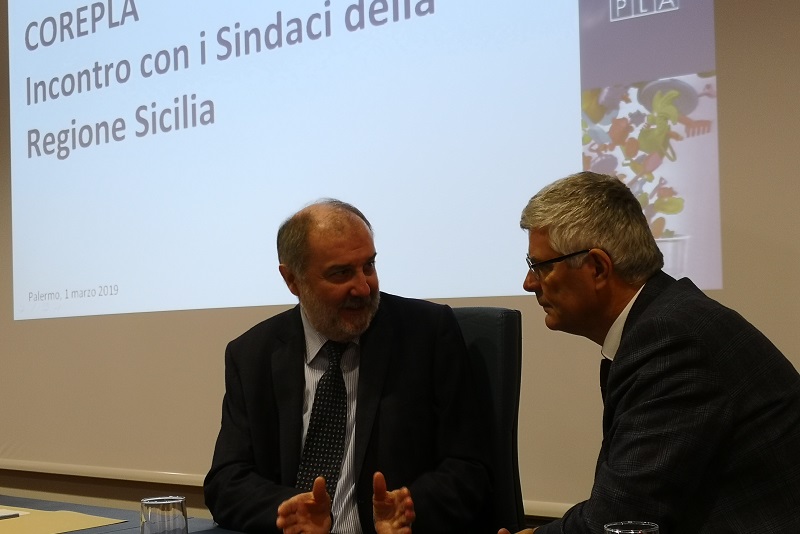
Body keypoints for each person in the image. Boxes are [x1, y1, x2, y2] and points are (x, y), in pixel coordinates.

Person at [503, 171, 800, 534]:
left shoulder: (671, 340)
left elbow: (622, 517)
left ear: (597, 268)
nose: (529, 283)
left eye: (542, 266)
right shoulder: (668, 320)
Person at [204, 199, 492, 534]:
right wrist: (289, 509)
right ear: (292, 280)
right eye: (341, 273)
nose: (363, 287)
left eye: (368, 266)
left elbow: (471, 467)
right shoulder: (252, 354)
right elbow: (227, 481)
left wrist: (411, 508)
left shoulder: (427, 334)